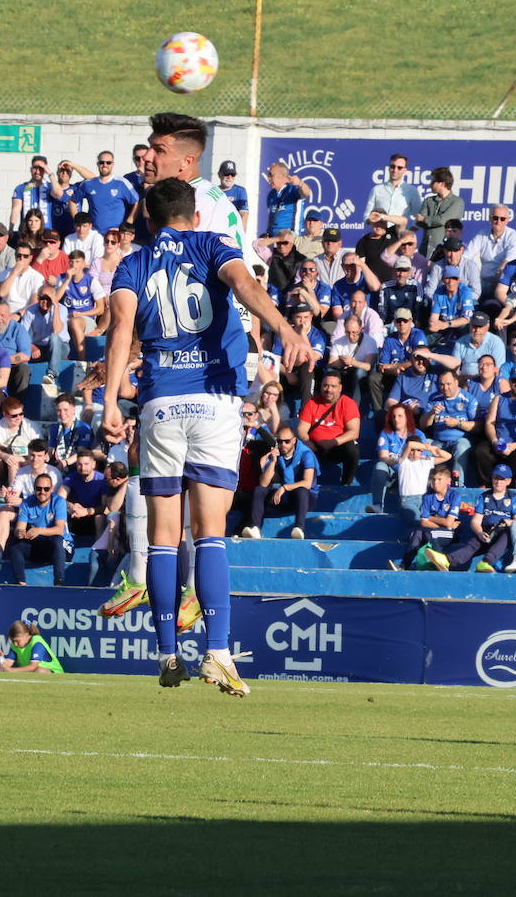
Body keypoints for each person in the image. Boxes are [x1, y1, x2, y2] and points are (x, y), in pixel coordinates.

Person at [102, 176, 312, 697]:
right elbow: (245, 286)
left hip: (160, 402)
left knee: (162, 536)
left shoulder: (133, 263)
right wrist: (285, 329)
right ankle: (217, 651)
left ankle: (167, 651)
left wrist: (109, 400)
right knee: (210, 530)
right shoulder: (211, 243)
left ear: (148, 220)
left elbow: (120, 331)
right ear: (195, 216)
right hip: (213, 399)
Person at [245, 425, 316, 540]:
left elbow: (307, 483)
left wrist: (284, 487)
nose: (283, 445)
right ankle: (255, 528)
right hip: (285, 497)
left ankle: (299, 528)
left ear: (294, 441)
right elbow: (263, 483)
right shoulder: (277, 455)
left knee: (301, 491)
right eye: (280, 441)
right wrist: (273, 461)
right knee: (259, 490)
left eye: (287, 441)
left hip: (306, 499)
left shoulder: (306, 454)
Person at [441, 464, 516, 572]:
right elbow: (476, 520)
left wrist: (509, 522)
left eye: (502, 479)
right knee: (474, 543)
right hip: (487, 531)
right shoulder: (484, 497)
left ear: (508, 481)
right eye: (496, 478)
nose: (498, 482)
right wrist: (479, 532)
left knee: (508, 533)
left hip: (503, 533)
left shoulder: (513, 498)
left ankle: (486, 562)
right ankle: (446, 560)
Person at [298, 372, 362, 486]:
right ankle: (303, 484)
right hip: (315, 448)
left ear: (340, 388)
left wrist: (333, 442)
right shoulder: (312, 403)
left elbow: (354, 432)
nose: (328, 389)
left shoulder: (348, 403)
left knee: (353, 448)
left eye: (333, 386)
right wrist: (307, 442)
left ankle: (346, 484)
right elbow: (301, 430)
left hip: (337, 447)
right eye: (325, 385)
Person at [396, 464, 460, 571]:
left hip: (449, 534)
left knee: (429, 533)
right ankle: (403, 566)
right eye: (434, 479)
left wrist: (430, 518)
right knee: (417, 533)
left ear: (448, 480)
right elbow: (424, 522)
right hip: (434, 530)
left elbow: (448, 523)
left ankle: (442, 563)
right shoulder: (428, 497)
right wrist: (443, 522)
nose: (435, 482)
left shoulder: (454, 496)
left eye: (440, 479)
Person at [0, 620, 65, 674]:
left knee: (40, 671)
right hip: (31, 674)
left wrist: (12, 670)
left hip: (55, 673)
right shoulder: (15, 646)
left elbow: (33, 666)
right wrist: (2, 659)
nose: (15, 644)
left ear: (26, 635)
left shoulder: (37, 642)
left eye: (17, 641)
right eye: (13, 641)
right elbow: (8, 664)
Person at [263, 162, 311, 236]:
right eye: (268, 175)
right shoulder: (271, 194)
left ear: (282, 176)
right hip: (274, 239)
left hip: (289, 239)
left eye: (271, 174)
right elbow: (271, 218)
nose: (268, 178)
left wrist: (300, 183)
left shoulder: (292, 190)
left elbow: (307, 193)